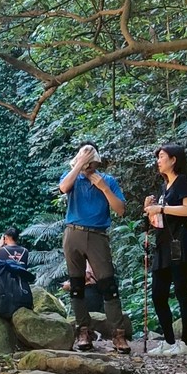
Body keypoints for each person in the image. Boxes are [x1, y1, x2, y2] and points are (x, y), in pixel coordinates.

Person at [58, 142, 128, 352]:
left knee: (108, 285)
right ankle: (83, 331)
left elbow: (120, 210)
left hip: (97, 235)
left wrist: (104, 188)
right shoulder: (72, 177)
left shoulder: (107, 180)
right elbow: (63, 188)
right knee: (76, 285)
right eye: (83, 155)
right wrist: (78, 165)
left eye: (90, 155)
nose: (88, 160)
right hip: (73, 232)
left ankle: (118, 334)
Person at [144, 143, 187, 357]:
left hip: (180, 244)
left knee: (182, 293)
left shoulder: (183, 181)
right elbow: (160, 220)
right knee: (158, 294)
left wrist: (160, 208)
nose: (158, 161)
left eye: (161, 156)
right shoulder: (164, 187)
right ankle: (168, 342)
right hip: (162, 246)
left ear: (173, 159)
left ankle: (186, 342)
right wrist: (149, 210)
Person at [0, 228, 33, 321]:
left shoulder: (1, 251)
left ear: (6, 237)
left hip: (5, 289)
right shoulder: (25, 251)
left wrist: (0, 245)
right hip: (21, 289)